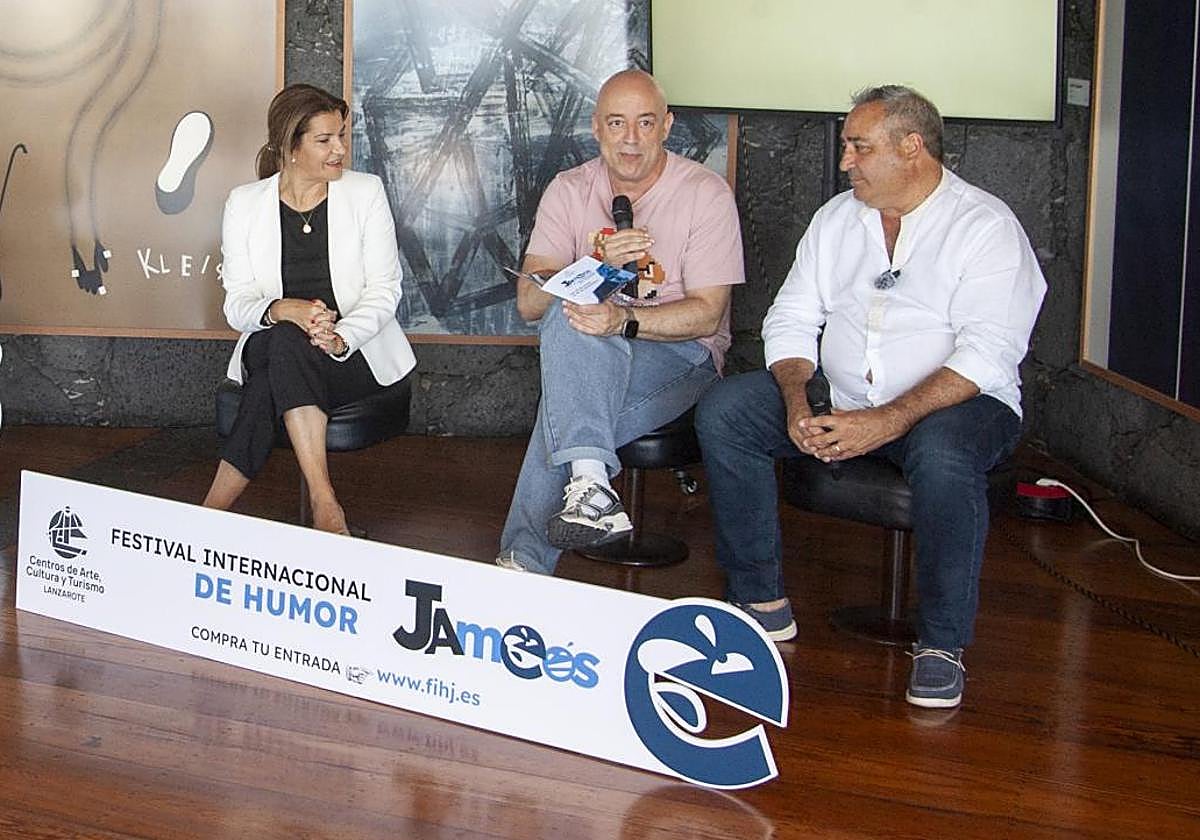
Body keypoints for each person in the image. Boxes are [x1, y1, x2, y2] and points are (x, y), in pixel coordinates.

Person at [695, 86, 1046, 708]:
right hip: (845, 394)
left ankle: (941, 644)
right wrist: (798, 401)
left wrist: (885, 421)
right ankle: (760, 602)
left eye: (859, 147)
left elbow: (988, 353)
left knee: (943, 453)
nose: (845, 162)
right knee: (729, 412)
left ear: (912, 147)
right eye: (846, 146)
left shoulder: (985, 227)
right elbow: (791, 317)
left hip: (961, 406)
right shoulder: (837, 219)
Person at [495, 68, 744, 573]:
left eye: (645, 123)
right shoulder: (569, 189)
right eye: (616, 123)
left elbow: (707, 314)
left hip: (681, 354)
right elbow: (529, 303)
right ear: (596, 127)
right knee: (566, 316)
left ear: (667, 126)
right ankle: (589, 486)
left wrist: (622, 320)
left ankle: (523, 565)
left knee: (563, 416)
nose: (631, 139)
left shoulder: (706, 193)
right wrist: (595, 267)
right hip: (589, 343)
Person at [202, 83, 415, 534]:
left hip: (352, 353)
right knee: (284, 339)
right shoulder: (245, 204)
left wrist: (340, 336)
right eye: (325, 140)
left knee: (272, 375)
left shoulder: (365, 192)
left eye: (342, 136)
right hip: (273, 339)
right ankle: (325, 504)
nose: (340, 149)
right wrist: (283, 309)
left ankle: (208, 516)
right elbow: (237, 305)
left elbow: (385, 290)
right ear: (290, 147)